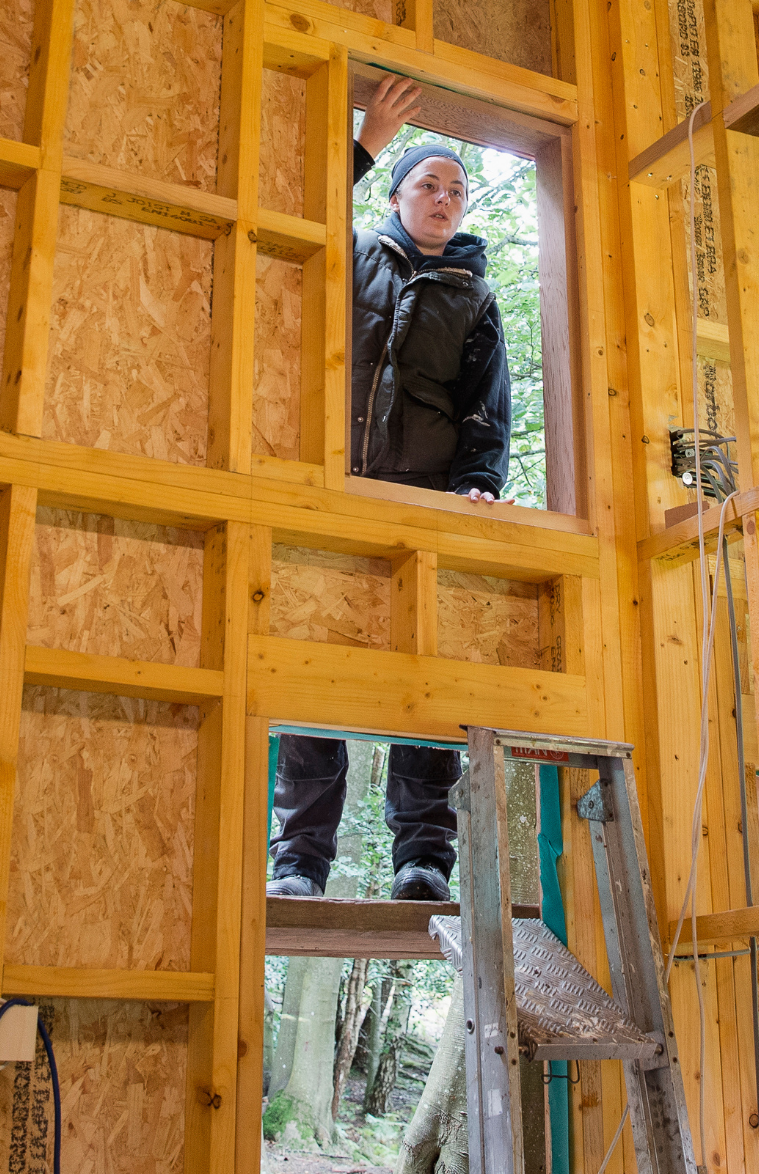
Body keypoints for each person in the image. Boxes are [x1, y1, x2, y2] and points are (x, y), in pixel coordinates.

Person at [267, 76, 512, 904]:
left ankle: (423, 858)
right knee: (313, 672)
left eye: (456, 189)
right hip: (339, 494)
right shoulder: (355, 256)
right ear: (400, 194)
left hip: (428, 510)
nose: (444, 198)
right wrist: (368, 139)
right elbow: (289, 204)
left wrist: (478, 486)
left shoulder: (475, 296)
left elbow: (489, 409)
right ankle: (300, 860)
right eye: (428, 185)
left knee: (423, 685)